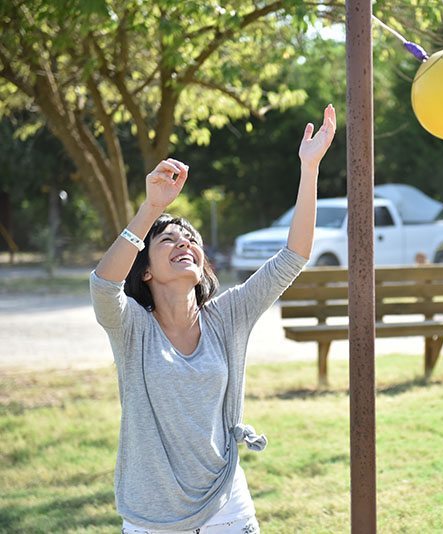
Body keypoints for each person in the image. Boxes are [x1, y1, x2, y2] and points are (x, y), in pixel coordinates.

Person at [91, 105, 336, 532]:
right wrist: (151, 210)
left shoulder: (226, 317)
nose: (183, 242)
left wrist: (309, 167)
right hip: (153, 514)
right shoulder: (133, 328)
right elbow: (103, 285)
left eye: (191, 239)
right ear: (145, 269)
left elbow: (293, 255)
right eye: (168, 240)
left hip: (226, 502)